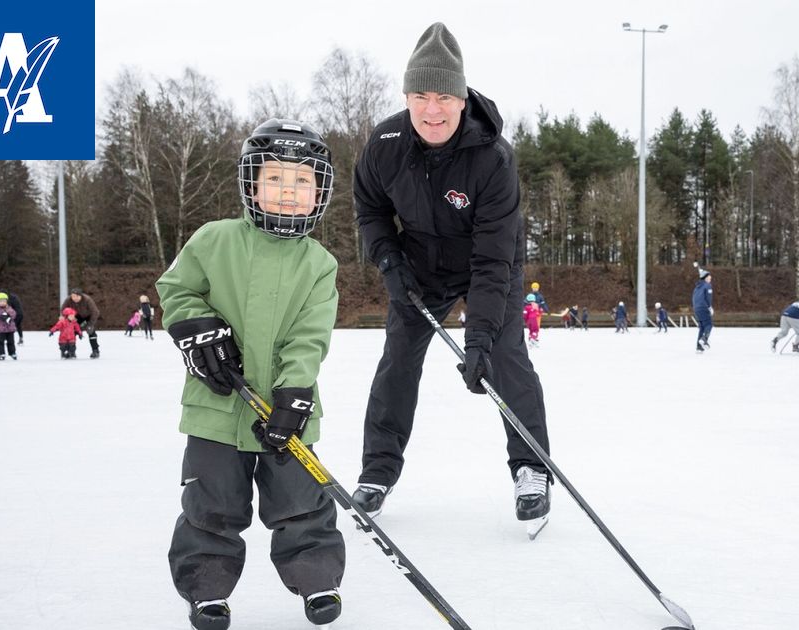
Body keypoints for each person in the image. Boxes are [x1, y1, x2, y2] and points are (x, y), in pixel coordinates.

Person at [351, 22, 553, 534]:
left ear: (462, 99)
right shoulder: (386, 144)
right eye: (420, 94)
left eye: (443, 95)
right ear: (406, 96)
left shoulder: (493, 158)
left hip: (489, 265)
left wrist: (480, 334)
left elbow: (492, 258)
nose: (432, 109)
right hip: (418, 267)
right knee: (397, 360)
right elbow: (370, 208)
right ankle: (377, 472)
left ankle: (530, 467)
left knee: (506, 356)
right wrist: (389, 261)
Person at [156, 119, 346, 629]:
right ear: (252, 185)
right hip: (217, 408)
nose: (288, 191)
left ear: (319, 191)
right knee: (210, 506)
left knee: (302, 503)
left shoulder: (320, 264)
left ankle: (317, 579)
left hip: (287, 409)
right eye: (276, 179)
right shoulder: (213, 240)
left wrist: (296, 390)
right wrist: (197, 328)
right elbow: (176, 289)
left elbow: (310, 334)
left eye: (302, 181)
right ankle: (207, 590)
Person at [61, 288, 101, 358]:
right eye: (73, 296)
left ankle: (95, 350)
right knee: (71, 333)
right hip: (76, 318)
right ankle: (71, 351)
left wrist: (90, 324)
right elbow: (63, 310)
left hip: (87, 318)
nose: (74, 298)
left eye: (76, 296)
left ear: (80, 296)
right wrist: (66, 317)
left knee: (91, 332)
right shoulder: (68, 300)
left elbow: (95, 312)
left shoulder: (87, 300)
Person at [691, 267, 714, 351]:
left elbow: (693, 298)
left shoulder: (697, 287)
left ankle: (699, 347)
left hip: (696, 308)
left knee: (702, 327)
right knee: (709, 324)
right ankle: (704, 339)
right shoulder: (707, 285)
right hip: (703, 307)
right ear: (705, 278)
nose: (710, 278)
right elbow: (708, 297)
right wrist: (709, 307)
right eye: (709, 277)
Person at [0, 292, 18, 361]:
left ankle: (12, 352)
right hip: (1, 330)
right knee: (0, 342)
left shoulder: (9, 308)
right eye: (0, 301)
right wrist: (1, 316)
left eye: (4, 301)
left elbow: (14, 314)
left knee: (11, 342)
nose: (2, 303)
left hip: (10, 329)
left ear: (6, 301)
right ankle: (0, 354)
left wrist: (8, 314)